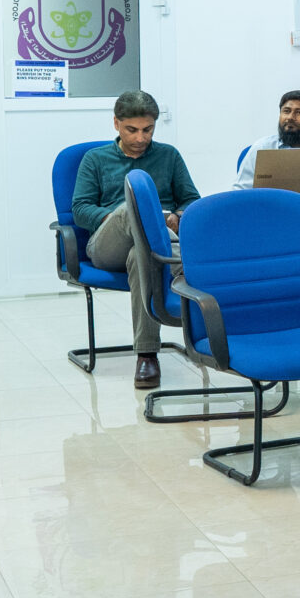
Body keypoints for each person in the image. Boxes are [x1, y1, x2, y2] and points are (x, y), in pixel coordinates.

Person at [72, 90, 201, 391]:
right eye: (132, 130)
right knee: (132, 208)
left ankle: (146, 355)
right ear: (116, 123)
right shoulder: (95, 159)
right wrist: (120, 217)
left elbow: (191, 201)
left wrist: (177, 216)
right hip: (108, 245)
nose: (141, 138)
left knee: (140, 256)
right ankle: (180, 262)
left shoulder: (169, 156)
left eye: (148, 129)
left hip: (149, 250)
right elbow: (80, 209)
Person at [234, 90, 300, 188]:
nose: (290, 117)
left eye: (299, 112)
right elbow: (240, 189)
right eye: (286, 111)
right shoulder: (262, 147)